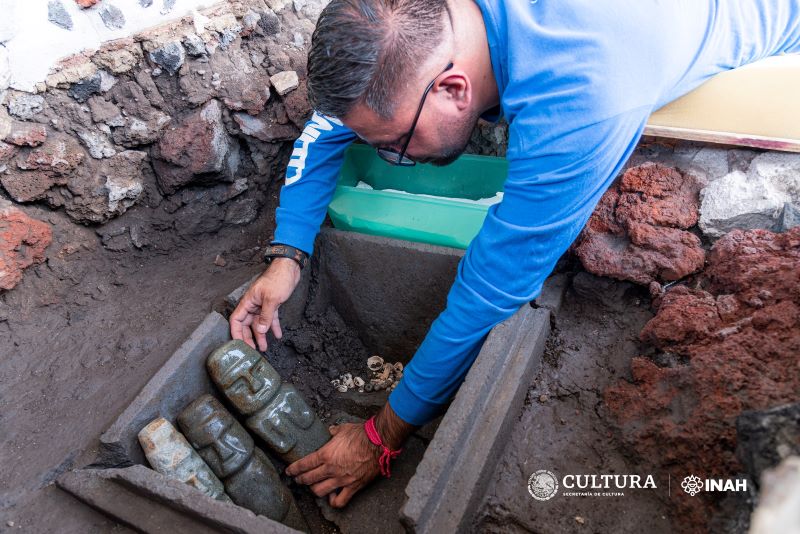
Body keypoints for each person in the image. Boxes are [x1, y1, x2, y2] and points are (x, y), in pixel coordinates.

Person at [230, 0, 800, 508]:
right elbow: (334, 122)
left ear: (454, 91)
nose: (391, 159)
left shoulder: (581, 95)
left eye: (393, 150)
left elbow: (492, 286)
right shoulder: (422, 24)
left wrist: (381, 435)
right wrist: (289, 254)